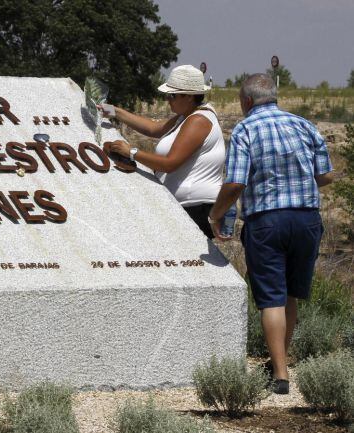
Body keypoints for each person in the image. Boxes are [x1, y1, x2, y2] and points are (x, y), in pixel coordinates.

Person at [208, 73, 334, 394]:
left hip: (267, 221)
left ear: (247, 101)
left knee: (271, 299)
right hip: (307, 218)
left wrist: (218, 213)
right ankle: (282, 361)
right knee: (290, 293)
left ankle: (280, 376)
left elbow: (235, 182)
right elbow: (326, 174)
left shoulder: (245, 130)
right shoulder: (305, 125)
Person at [102, 64, 225, 238]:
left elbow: (170, 164)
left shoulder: (197, 120)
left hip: (194, 207)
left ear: (188, 97)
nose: (168, 100)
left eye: (172, 95)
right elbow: (154, 129)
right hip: (188, 205)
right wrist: (114, 111)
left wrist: (131, 152)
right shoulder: (188, 115)